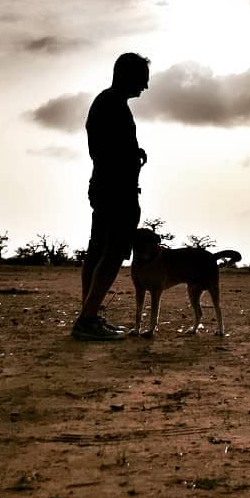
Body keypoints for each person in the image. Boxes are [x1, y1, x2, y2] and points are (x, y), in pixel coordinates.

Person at [72, 52, 150, 341]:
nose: (145, 87)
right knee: (112, 252)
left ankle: (87, 316)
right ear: (128, 76)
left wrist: (133, 154)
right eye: (142, 79)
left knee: (98, 250)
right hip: (116, 189)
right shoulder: (111, 104)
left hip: (106, 186)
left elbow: (106, 148)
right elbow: (108, 151)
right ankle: (88, 317)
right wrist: (130, 157)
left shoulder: (108, 103)